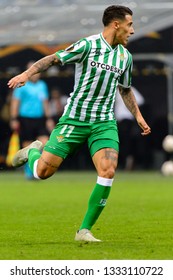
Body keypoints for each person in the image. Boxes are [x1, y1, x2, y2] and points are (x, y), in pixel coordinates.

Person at [8, 5, 151, 242]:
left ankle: (84, 230)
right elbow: (54, 58)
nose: (132, 30)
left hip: (104, 122)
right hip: (74, 119)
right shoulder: (88, 45)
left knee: (108, 170)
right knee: (42, 173)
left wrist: (138, 117)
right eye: (130, 24)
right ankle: (33, 153)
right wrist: (26, 74)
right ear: (116, 24)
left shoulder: (125, 56)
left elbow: (125, 90)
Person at [10, 61, 54, 179]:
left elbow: (45, 103)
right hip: (25, 119)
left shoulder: (42, 85)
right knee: (27, 145)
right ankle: (30, 173)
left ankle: (37, 169)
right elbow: (15, 103)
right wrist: (14, 119)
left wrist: (48, 118)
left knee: (44, 143)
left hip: (39, 119)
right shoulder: (22, 85)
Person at [115, 86, 145, 170]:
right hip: (115, 121)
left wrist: (131, 106)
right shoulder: (112, 89)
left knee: (126, 142)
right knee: (118, 142)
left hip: (126, 120)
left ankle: (127, 161)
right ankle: (122, 162)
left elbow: (140, 100)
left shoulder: (128, 88)